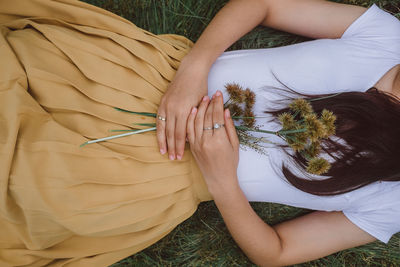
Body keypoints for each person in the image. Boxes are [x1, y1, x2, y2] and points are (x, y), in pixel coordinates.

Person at [0, 1, 399, 267]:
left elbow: (277, 252)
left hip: (156, 174)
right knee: (30, 60)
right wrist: (194, 67)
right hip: (153, 79)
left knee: (31, 185)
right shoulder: (389, 39)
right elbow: (262, 3)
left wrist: (222, 180)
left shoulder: (393, 202)